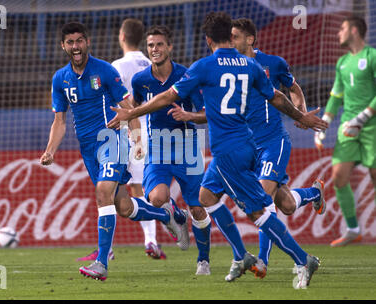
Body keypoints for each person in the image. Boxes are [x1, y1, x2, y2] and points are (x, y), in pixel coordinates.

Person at [108, 12, 328, 288]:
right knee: (206, 197)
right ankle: (240, 256)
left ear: (208, 39)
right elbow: (278, 96)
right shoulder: (251, 66)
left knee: (259, 212)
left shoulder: (204, 67)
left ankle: (302, 259)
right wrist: (301, 117)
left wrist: (133, 112)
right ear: (229, 37)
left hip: (228, 151)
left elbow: (167, 96)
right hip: (244, 143)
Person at [40, 22, 188, 281]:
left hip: (112, 139)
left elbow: (128, 106)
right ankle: (166, 213)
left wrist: (137, 140)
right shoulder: (60, 78)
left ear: (87, 42)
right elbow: (59, 121)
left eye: (79, 41)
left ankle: (101, 263)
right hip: (88, 149)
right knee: (123, 206)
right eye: (70, 42)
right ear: (63, 46)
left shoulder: (106, 71)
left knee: (102, 192)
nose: (76, 46)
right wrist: (50, 151)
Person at [231, 18, 327, 278]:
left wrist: (301, 112)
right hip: (248, 147)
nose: (232, 41)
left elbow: (293, 88)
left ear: (250, 39)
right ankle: (312, 193)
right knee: (284, 204)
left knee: (262, 199)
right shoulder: (229, 69)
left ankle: (262, 261)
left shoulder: (273, 63)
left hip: (274, 140)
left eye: (236, 37)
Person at [77, 18, 167, 261]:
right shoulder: (153, 63)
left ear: (122, 37)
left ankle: (115, 248)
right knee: (133, 191)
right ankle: (149, 239)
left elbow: (116, 104)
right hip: (152, 132)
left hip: (126, 134)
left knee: (112, 190)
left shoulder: (114, 66)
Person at [131, 25, 212, 275]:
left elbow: (205, 113)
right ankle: (175, 216)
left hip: (187, 147)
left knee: (198, 208)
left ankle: (203, 260)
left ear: (170, 47)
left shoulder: (187, 76)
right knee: (155, 198)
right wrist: (136, 138)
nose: (155, 49)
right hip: (157, 146)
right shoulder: (140, 80)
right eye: (151, 45)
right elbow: (134, 107)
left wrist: (187, 115)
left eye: (159, 45)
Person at [314, 16, 376, 247]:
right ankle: (353, 230)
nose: (338, 33)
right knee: (339, 177)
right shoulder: (341, 63)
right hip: (348, 127)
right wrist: (322, 127)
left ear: (354, 30)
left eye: (342, 29)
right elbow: (335, 98)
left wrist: (362, 118)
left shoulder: (372, 56)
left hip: (371, 124)